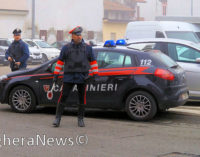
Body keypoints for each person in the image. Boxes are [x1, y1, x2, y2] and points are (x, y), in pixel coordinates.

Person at [52, 26, 99, 127]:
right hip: (69, 76)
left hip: (82, 76)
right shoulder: (66, 48)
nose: (79, 37)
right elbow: (60, 62)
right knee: (63, 97)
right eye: (77, 35)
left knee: (82, 98)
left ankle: (81, 119)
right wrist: (56, 75)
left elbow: (93, 61)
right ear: (72, 36)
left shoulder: (88, 48)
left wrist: (95, 74)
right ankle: (57, 118)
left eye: (80, 35)